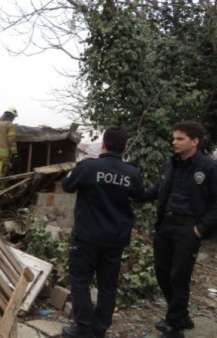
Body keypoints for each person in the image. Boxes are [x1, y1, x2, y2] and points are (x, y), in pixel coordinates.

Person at [61, 127, 144, 338]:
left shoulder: (89, 167)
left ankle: (83, 328)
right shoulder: (132, 172)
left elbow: (67, 185)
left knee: (80, 282)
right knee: (108, 286)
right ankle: (99, 330)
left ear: (103, 144)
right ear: (125, 147)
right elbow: (139, 196)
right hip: (115, 240)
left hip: (87, 238)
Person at [138, 121, 217, 338]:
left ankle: (175, 327)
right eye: (174, 138)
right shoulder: (170, 164)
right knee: (162, 274)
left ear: (195, 141)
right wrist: (137, 195)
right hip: (165, 226)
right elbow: (158, 190)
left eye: (180, 139)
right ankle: (180, 316)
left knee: (179, 277)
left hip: (188, 229)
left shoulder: (208, 168)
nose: (174, 142)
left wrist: (200, 229)